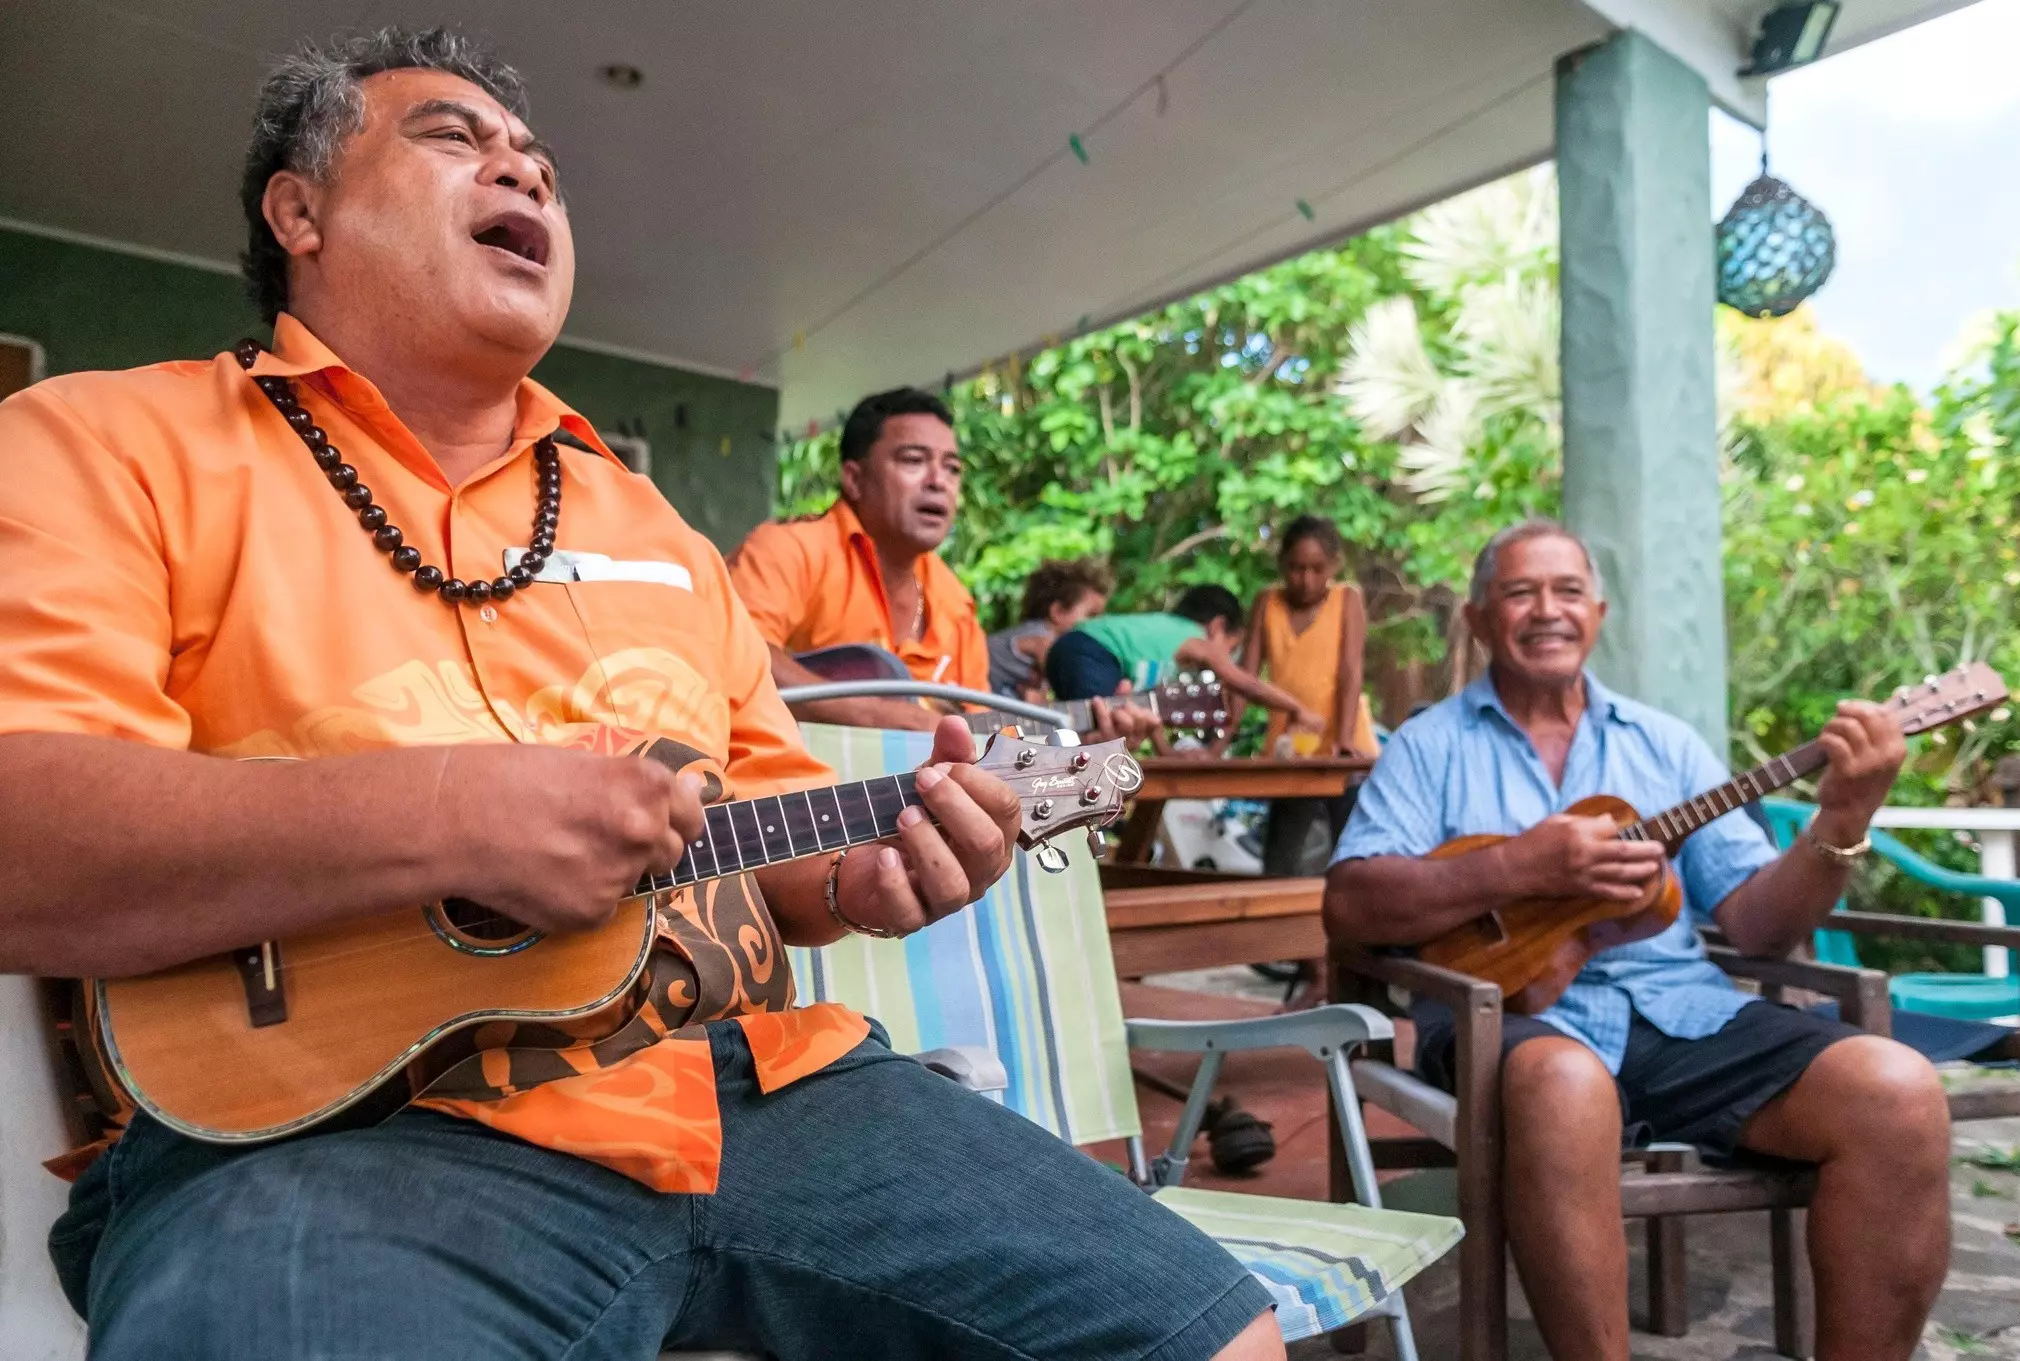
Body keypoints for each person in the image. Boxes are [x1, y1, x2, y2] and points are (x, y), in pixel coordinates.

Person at [0, 30, 1281, 1361]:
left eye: (540, 163)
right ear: (300, 208)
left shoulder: (661, 533)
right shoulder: (107, 446)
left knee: (1217, 1335)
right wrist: (445, 817)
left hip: (768, 1093)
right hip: (328, 1143)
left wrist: (874, 870)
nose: (523, 169)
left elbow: (789, 842)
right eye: (455, 137)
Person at [1323, 519, 1948, 1361]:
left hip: (1679, 1012)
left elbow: (1760, 924)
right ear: (1477, 619)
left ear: (1599, 613)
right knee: (1565, 1079)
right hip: (1496, 1019)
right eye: (1520, 591)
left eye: (1568, 590)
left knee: (1898, 1087)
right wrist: (1517, 866)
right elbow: (1351, 904)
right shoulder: (1430, 744)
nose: (1547, 610)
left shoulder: (1667, 744)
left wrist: (1844, 817)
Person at [726, 389, 982, 731]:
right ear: (855, 479)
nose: (939, 482)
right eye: (913, 460)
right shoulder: (788, 549)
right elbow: (735, 653)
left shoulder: (957, 600)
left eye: (952, 468)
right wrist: (886, 717)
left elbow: (982, 724)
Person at [1239, 515, 1379, 878]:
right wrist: (1220, 740)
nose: (1306, 579)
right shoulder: (1266, 602)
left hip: (1344, 744)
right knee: (1280, 858)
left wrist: (1344, 739)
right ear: (1282, 563)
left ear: (1334, 565)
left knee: (1353, 853)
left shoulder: (1347, 600)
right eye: (1297, 568)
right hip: (1292, 747)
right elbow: (1243, 678)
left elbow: (1350, 672)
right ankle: (1279, 931)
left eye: (1317, 569)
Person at [1043, 584, 1323, 740]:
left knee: (1092, 727)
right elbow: (1245, 684)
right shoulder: (1196, 638)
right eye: (1231, 648)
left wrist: (1167, 754)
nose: (1227, 657)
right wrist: (1296, 708)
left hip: (1068, 650)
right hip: (1091, 652)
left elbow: (1150, 715)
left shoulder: (1166, 641)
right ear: (1218, 626)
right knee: (1098, 742)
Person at [985, 557, 1112, 699]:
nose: (1097, 624)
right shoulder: (1042, 639)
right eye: (1091, 615)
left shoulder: (1033, 632)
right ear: (1058, 611)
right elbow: (1076, 679)